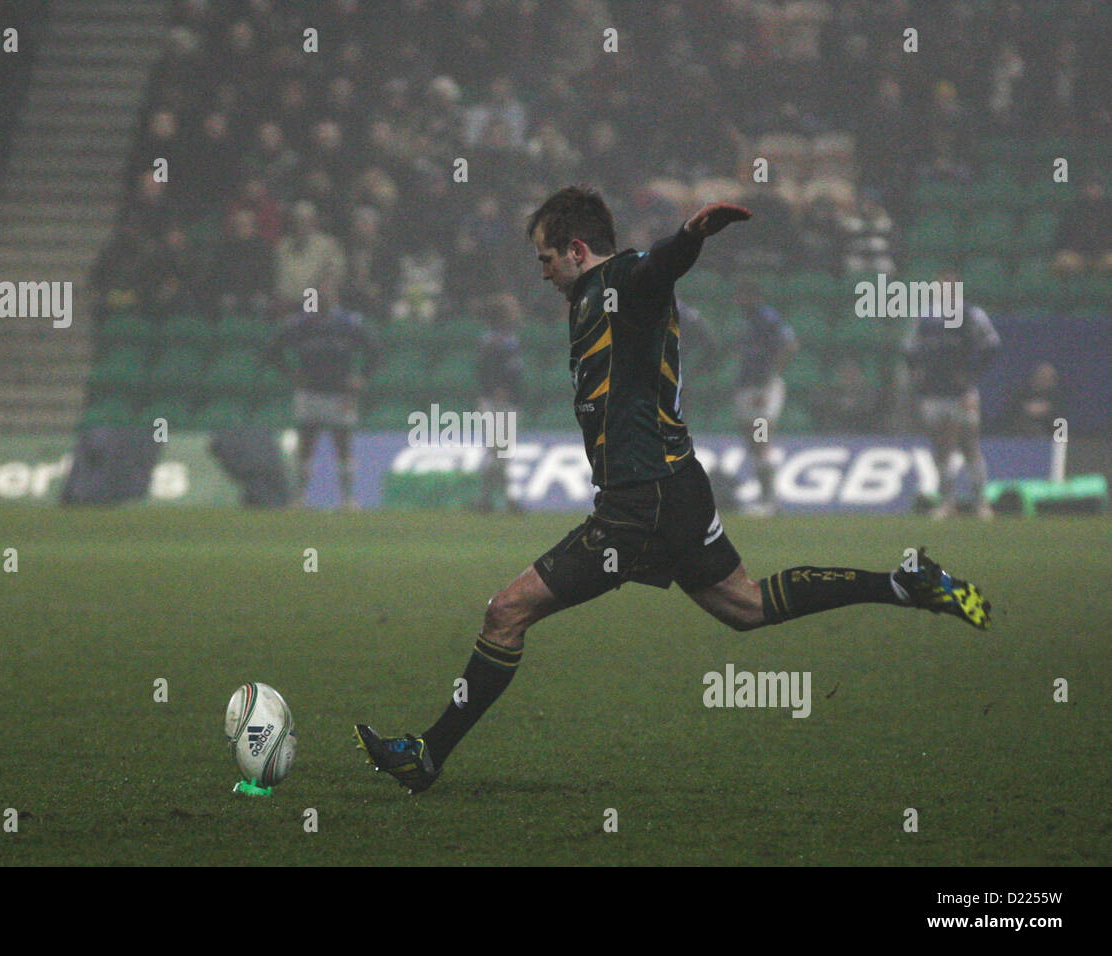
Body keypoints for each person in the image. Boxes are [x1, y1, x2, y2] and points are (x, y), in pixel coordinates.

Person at [356, 186, 991, 794]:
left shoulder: (621, 281)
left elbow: (656, 269)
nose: (541, 272)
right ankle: (905, 584)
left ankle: (427, 756)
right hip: (678, 483)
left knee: (506, 610)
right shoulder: (590, 301)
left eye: (546, 258)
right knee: (745, 607)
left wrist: (690, 236)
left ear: (577, 249)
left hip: (643, 499)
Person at [265, 281, 376, 509]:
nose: (323, 299)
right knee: (306, 446)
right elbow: (272, 348)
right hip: (310, 392)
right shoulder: (301, 324)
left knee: (343, 446)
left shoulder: (348, 323)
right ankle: (299, 498)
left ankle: (347, 499)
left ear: (334, 298)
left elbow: (375, 350)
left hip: (340, 394)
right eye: (319, 295)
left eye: (327, 294)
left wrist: (363, 376)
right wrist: (290, 373)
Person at [902, 274, 1002, 520]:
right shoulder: (925, 317)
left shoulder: (970, 314)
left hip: (961, 393)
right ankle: (948, 502)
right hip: (932, 392)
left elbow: (992, 345)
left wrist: (971, 376)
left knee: (969, 444)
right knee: (940, 447)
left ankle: (981, 502)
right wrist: (916, 371)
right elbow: (908, 347)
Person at [731, 279, 797, 515]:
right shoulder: (746, 323)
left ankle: (770, 501)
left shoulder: (767, 318)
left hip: (762, 388)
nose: (738, 301)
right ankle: (764, 497)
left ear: (753, 297)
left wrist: (769, 379)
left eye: (742, 296)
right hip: (747, 387)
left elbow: (789, 345)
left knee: (761, 437)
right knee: (752, 440)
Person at [474, 292, 525, 514]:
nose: (517, 312)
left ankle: (488, 499)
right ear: (503, 315)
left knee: (499, 452)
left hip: (507, 400)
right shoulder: (493, 340)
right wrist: (497, 390)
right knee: (499, 451)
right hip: (497, 401)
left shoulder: (508, 338)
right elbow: (485, 370)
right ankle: (500, 499)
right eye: (512, 309)